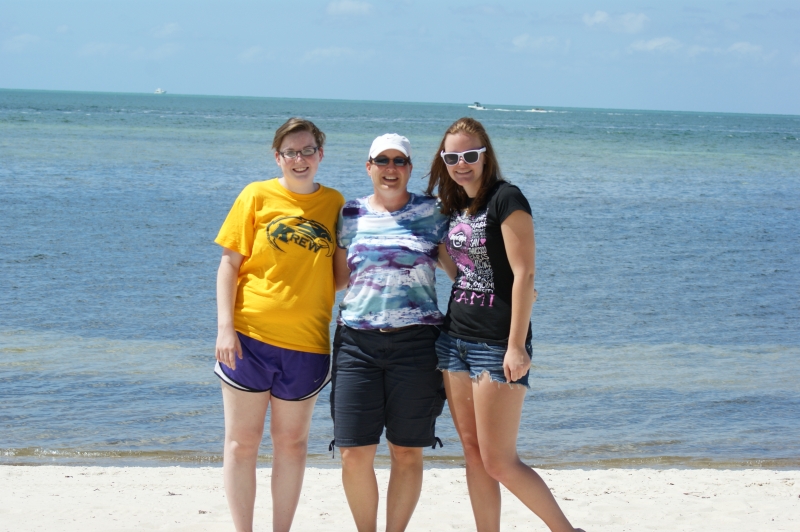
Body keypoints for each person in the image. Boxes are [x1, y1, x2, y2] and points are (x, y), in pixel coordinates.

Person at [426, 117, 585, 532]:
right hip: (453, 340)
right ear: (443, 161)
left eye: (470, 155)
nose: (461, 164)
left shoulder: (506, 198)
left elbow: (524, 274)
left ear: (485, 156)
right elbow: (460, 271)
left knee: (499, 460)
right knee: (473, 453)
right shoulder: (456, 205)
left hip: (495, 345)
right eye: (452, 157)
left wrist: (516, 346)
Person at [214, 117, 344, 532]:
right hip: (248, 339)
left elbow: (339, 277)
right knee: (242, 443)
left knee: (292, 444)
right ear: (278, 157)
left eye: (308, 150)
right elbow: (229, 264)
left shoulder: (336, 204)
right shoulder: (255, 195)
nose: (299, 159)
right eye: (291, 152)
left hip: (307, 344)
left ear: (320, 155)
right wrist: (224, 328)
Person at [331, 133, 448, 532]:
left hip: (417, 345)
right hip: (356, 345)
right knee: (353, 453)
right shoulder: (350, 213)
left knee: (407, 452)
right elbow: (336, 280)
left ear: (410, 168)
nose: (391, 168)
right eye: (382, 160)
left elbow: (460, 269)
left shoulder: (433, 211)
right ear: (369, 167)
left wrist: (512, 285)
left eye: (400, 161)